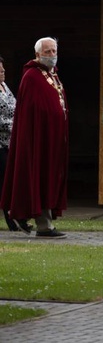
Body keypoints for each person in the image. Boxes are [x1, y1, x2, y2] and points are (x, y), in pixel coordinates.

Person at [1, 38, 69, 238]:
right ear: (38, 54)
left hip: (53, 140)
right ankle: (43, 225)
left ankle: (42, 222)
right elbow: (32, 111)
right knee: (37, 176)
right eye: (47, 51)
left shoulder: (52, 75)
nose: (52, 55)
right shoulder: (31, 76)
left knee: (49, 178)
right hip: (38, 140)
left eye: (54, 50)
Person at [0, 55, 20, 231]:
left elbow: (15, 106)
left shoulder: (5, 87)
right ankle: (11, 220)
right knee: (5, 183)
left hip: (10, 143)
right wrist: (16, 125)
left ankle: (14, 217)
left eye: (3, 69)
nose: (3, 72)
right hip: (0, 144)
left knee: (9, 181)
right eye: (0, 71)